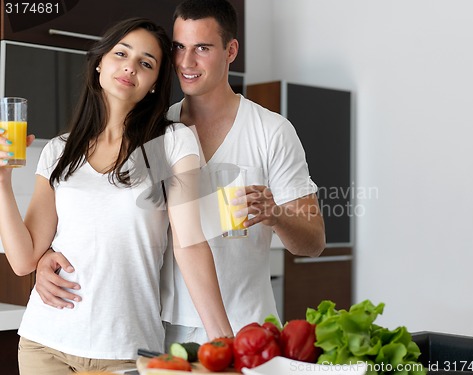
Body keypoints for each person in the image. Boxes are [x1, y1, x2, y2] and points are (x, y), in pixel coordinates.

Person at [34, 0, 326, 348]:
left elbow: (314, 242)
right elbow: (110, 221)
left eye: (202, 48)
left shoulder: (271, 131)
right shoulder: (156, 134)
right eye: (179, 48)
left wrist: (276, 214)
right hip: (164, 328)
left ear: (231, 50)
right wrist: (45, 258)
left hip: (245, 325)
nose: (187, 63)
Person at [0, 17, 232, 375]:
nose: (130, 66)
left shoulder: (169, 143)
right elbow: (23, 258)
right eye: (121, 53)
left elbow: (190, 243)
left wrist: (224, 341)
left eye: (146, 63)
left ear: (155, 83)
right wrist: (1, 180)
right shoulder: (61, 150)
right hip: (45, 343)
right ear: (99, 64)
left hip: (125, 349)